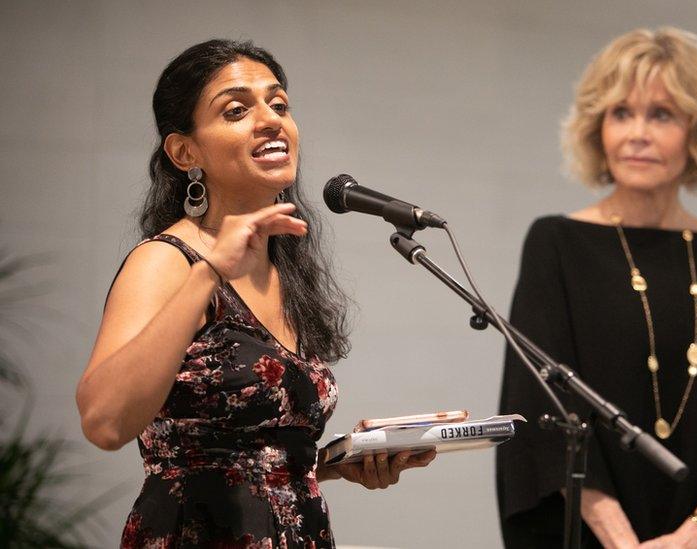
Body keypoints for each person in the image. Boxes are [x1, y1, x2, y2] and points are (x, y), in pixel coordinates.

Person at [75, 39, 434, 548]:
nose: (270, 120)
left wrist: (344, 460)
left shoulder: (283, 269)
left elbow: (251, 453)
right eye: (237, 109)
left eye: (279, 104)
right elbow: (105, 422)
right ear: (184, 152)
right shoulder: (167, 260)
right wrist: (208, 273)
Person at [496, 28, 697, 548]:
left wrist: (693, 537)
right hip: (590, 537)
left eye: (662, 115)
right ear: (597, 129)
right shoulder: (556, 244)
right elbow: (540, 415)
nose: (638, 133)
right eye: (620, 113)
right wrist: (623, 542)